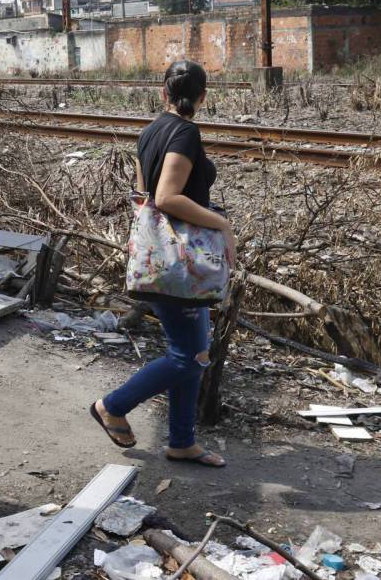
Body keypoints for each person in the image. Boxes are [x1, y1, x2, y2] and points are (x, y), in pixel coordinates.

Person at [89, 60, 236, 468]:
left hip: (160, 257)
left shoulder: (150, 131)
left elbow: (144, 199)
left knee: (193, 352)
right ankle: (112, 406)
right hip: (180, 265)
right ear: (203, 96)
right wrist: (222, 224)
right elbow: (167, 198)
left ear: (163, 93)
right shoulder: (185, 133)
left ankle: (182, 442)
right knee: (188, 357)